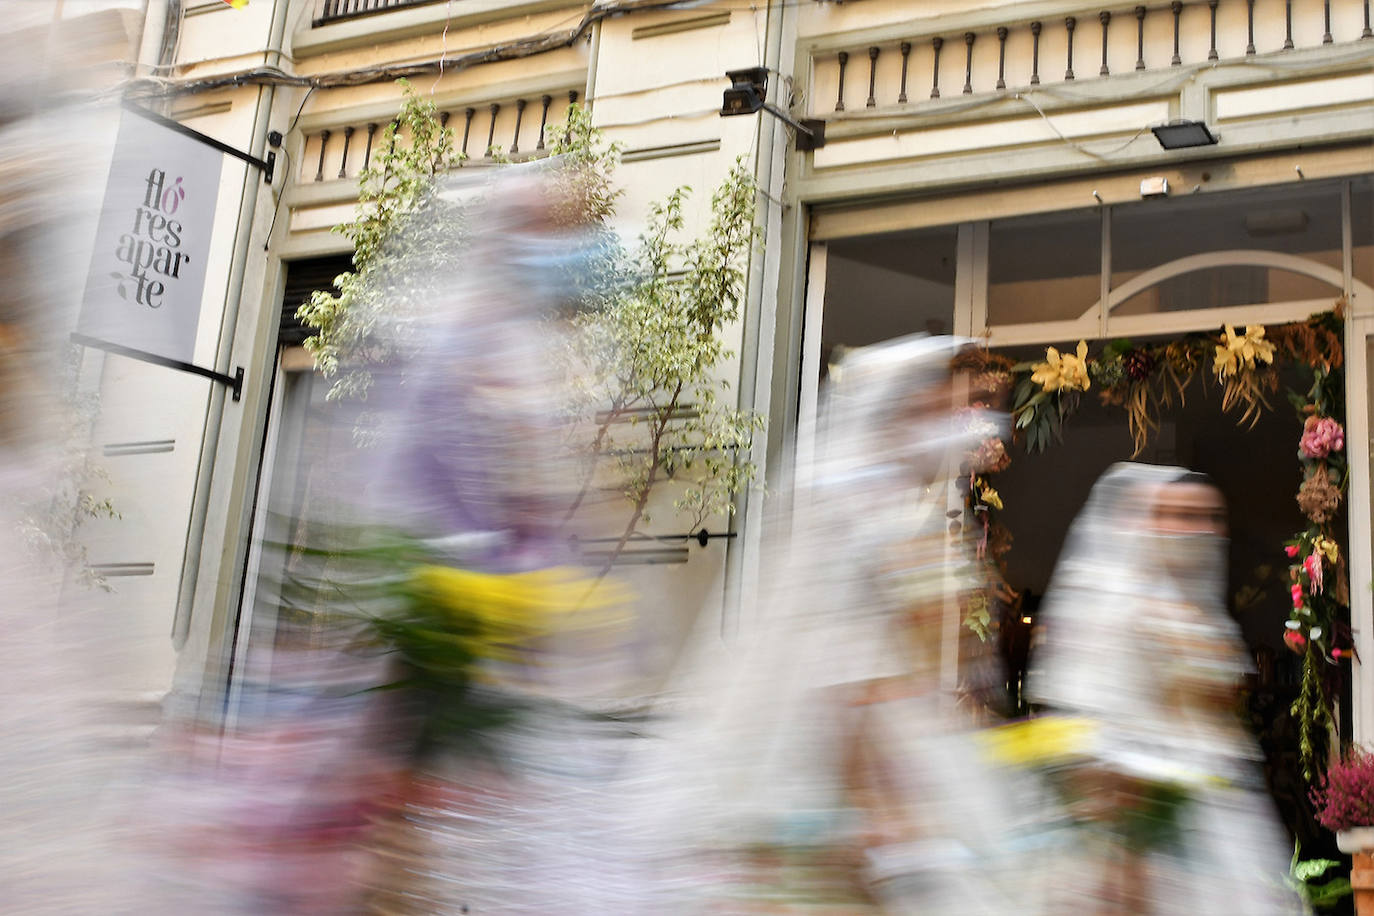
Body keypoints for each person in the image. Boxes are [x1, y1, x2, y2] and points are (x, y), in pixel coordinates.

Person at [633, 334, 1025, 913]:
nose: (955, 427)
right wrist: (880, 803)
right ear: (895, 415)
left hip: (888, 736)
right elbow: (845, 667)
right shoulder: (862, 510)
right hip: (850, 747)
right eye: (936, 409)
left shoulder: (890, 506)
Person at [1026, 463, 1299, 915]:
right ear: (1149, 521)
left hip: (1218, 813)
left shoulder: (1207, 619)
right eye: (1181, 516)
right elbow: (1094, 721)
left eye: (1210, 518)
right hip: (1143, 822)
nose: (1199, 531)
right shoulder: (1117, 605)